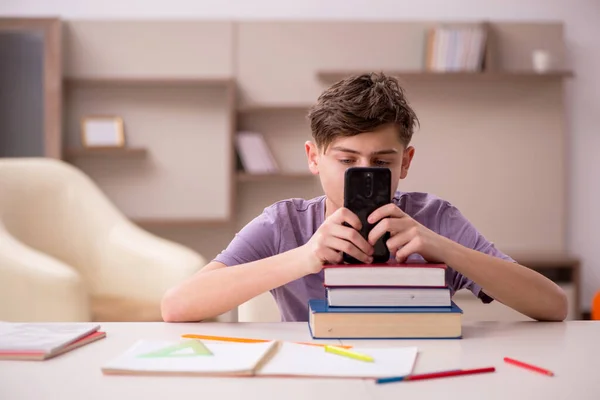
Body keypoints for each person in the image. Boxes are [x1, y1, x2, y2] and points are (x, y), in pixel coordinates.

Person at [161, 72, 567, 323]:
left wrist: (442, 248)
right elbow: (177, 306)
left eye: (381, 161)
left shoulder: (434, 218)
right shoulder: (283, 224)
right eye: (347, 159)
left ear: (405, 163)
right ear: (313, 158)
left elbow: (554, 305)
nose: (364, 172)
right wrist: (305, 256)